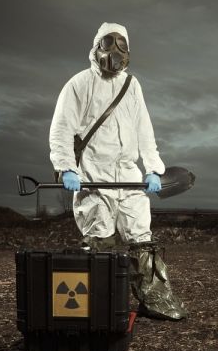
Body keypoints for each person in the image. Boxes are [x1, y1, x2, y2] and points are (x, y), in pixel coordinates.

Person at [49, 22, 187, 321]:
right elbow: (61, 130)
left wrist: (152, 169)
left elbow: (144, 130)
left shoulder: (132, 85)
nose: (115, 51)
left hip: (129, 176)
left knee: (142, 238)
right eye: (108, 43)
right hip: (94, 177)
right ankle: (102, 305)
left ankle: (156, 302)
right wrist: (66, 168)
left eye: (121, 44)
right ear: (96, 46)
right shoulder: (79, 84)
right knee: (100, 242)